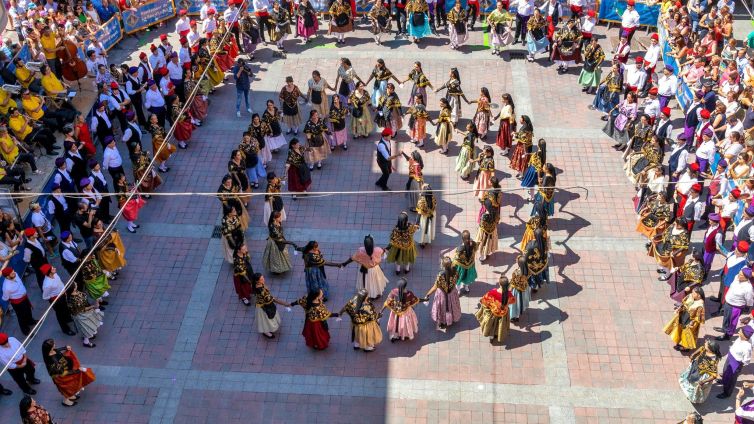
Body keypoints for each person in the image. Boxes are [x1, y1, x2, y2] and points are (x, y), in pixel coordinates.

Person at [41, 339, 96, 407]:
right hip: (61, 376)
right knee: (68, 388)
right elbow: (62, 372)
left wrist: (65, 347)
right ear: (50, 348)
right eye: (53, 345)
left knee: (70, 386)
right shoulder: (52, 360)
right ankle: (66, 401)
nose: (55, 345)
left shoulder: (49, 352)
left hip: (64, 372)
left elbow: (56, 350)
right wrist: (77, 371)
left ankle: (70, 396)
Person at [423, 256, 462, 330]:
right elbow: (457, 279)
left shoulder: (441, 275)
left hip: (442, 294)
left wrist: (427, 294)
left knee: (441, 308)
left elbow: (435, 286)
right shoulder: (455, 271)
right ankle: (451, 318)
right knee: (452, 306)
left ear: (443, 265)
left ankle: (443, 322)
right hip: (452, 292)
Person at [663, 286, 705, 352]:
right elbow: (683, 303)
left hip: (690, 321)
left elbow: (698, 318)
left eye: (694, 293)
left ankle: (685, 347)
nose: (692, 294)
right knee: (680, 329)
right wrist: (679, 309)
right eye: (692, 292)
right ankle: (680, 341)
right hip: (683, 315)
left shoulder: (700, 305)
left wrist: (692, 324)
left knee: (687, 334)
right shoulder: (690, 296)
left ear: (698, 295)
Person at [717, 267, 754, 341]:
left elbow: (749, 300)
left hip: (736, 307)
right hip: (728, 302)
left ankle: (728, 335)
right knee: (726, 316)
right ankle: (724, 329)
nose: (739, 276)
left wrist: (747, 307)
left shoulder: (748, 288)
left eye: (741, 275)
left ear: (746, 278)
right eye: (739, 273)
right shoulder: (736, 277)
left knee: (732, 321)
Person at [679, 339, 721, 404]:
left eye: (706, 344)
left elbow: (714, 376)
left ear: (710, 349)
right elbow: (699, 350)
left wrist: (703, 381)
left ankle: (693, 397)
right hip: (695, 368)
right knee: (689, 380)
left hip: (701, 375)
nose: (705, 343)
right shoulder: (704, 348)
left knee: (695, 386)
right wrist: (693, 355)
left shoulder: (713, 361)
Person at [718, 326, 754, 399]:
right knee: (725, 370)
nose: (738, 332)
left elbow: (746, 360)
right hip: (730, 357)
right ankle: (724, 380)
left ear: (744, 335)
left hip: (736, 363)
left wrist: (738, 366)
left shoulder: (747, 347)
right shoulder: (740, 338)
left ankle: (727, 393)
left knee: (731, 379)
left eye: (740, 331)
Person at [476, 276, 515, 343]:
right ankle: (498, 334)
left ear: (499, 284)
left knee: (491, 325)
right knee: (499, 326)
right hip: (503, 314)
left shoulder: (492, 292)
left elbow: (484, 301)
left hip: (493, 314)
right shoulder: (509, 294)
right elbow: (512, 301)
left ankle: (491, 337)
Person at [40, 264, 76, 336]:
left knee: (66, 308)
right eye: (52, 268)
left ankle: (68, 318)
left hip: (62, 295)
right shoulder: (47, 284)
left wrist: (63, 292)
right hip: (56, 300)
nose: (54, 268)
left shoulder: (55, 274)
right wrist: (57, 296)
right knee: (60, 315)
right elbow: (45, 297)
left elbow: (60, 283)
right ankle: (65, 329)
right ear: (49, 272)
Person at [252, 273, 290, 339]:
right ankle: (266, 332)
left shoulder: (257, 285)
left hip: (262, 304)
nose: (263, 279)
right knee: (266, 320)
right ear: (257, 281)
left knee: (266, 319)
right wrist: (284, 303)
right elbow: (272, 299)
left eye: (263, 277)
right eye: (261, 279)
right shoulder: (261, 291)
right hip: (264, 307)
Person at [1, 267, 37, 335]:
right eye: (12, 273)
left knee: (28, 310)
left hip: (24, 297)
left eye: (13, 271)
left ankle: (31, 321)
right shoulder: (6, 287)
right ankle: (25, 331)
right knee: (21, 317)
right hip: (18, 303)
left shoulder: (15, 274)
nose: (14, 273)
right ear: (8, 277)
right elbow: (5, 298)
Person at [66, 284, 104, 349]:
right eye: (75, 285)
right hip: (82, 315)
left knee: (89, 325)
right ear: (73, 288)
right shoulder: (73, 299)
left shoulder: (76, 292)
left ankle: (88, 336)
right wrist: (93, 306)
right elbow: (82, 309)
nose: (76, 284)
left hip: (86, 313)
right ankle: (86, 342)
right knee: (87, 327)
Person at [415, 183, 437, 247]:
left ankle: (422, 242)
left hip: (424, 218)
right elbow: (435, 206)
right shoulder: (433, 198)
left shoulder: (421, 201)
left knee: (423, 230)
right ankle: (427, 240)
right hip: (431, 216)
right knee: (428, 229)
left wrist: (417, 223)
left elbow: (419, 213)